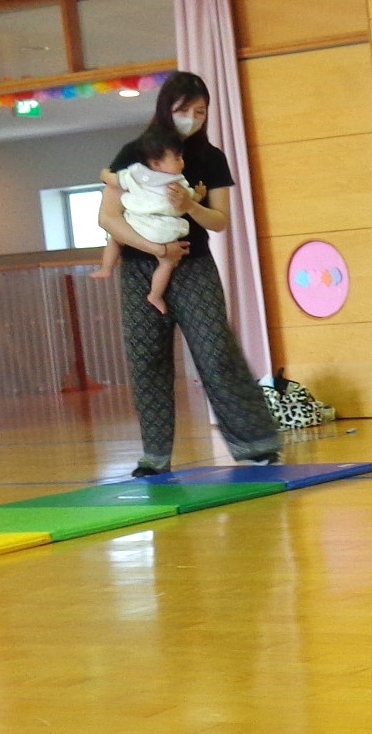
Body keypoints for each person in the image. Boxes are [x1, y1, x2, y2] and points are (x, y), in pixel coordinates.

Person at [94, 73, 280, 476]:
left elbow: (219, 220)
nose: (191, 119)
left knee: (216, 352)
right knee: (147, 358)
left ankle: (256, 444)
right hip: (141, 267)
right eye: (183, 111)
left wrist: (189, 206)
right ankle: (155, 456)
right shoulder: (135, 152)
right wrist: (157, 250)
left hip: (194, 266)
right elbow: (108, 217)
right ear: (166, 108)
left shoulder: (210, 157)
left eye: (200, 112)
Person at [94, 129, 191, 315]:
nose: (182, 162)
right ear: (157, 162)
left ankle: (106, 267)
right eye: (177, 158)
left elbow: (114, 180)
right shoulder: (178, 181)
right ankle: (155, 295)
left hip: (139, 225)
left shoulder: (138, 174)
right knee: (166, 264)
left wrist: (104, 174)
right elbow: (189, 198)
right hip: (165, 231)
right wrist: (197, 194)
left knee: (115, 237)